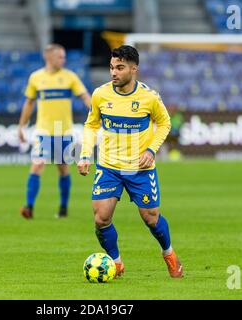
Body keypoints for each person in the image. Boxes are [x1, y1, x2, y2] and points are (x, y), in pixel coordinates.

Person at [77, 45, 183, 278]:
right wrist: (85, 154)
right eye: (112, 67)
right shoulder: (100, 94)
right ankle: (116, 263)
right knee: (101, 218)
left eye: (120, 68)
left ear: (134, 69)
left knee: (151, 218)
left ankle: (169, 253)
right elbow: (92, 124)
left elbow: (164, 124)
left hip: (140, 168)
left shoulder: (149, 97)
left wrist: (151, 150)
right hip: (109, 166)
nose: (114, 72)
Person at [18, 44, 91, 219]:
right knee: (37, 165)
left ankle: (63, 208)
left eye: (64, 57)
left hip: (64, 131)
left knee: (63, 170)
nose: (63, 60)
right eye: (60, 57)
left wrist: (97, 112)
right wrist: (21, 125)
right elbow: (29, 103)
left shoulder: (69, 77)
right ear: (49, 57)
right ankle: (29, 206)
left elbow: (84, 96)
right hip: (43, 131)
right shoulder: (36, 78)